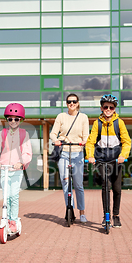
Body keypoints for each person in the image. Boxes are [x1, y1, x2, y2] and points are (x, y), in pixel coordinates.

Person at [85, 94, 131, 228]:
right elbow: (90, 142)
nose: (108, 109)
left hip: (116, 160)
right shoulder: (97, 123)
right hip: (101, 159)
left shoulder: (119, 123)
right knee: (105, 185)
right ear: (101, 108)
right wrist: (90, 156)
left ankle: (116, 215)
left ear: (115, 109)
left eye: (111, 107)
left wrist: (123, 155)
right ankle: (106, 215)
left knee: (117, 189)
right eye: (106, 107)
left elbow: (126, 141)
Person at [0, 103, 32, 233]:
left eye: (16, 119)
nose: (13, 121)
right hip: (5, 169)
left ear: (21, 120)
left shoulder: (24, 134)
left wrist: (21, 162)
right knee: (5, 196)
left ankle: (13, 220)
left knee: (14, 196)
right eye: (10, 119)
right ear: (7, 119)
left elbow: (27, 152)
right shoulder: (2, 133)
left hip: (17, 170)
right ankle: (6, 218)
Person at [50, 93, 90, 223]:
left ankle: (82, 212)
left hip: (78, 152)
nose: (71, 104)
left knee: (78, 184)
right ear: (66, 103)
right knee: (65, 182)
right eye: (69, 102)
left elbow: (86, 135)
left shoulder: (83, 117)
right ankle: (70, 208)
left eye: (74, 101)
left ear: (78, 103)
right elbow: (53, 133)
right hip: (64, 153)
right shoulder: (61, 116)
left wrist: (84, 141)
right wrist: (55, 140)